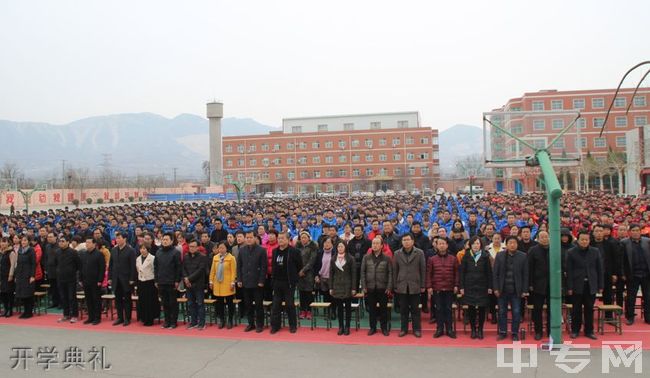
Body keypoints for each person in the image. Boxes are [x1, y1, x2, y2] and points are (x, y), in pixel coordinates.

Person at [566, 229, 603, 339]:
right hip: (577, 285)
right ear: (578, 240)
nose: (584, 242)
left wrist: (600, 285)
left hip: (590, 285)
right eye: (582, 239)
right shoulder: (571, 252)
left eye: (586, 240)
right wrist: (570, 287)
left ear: (589, 240)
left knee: (589, 309)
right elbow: (569, 271)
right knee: (576, 309)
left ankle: (589, 331)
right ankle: (575, 330)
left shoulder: (595, 251)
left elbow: (600, 269)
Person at [493, 236, 529, 341]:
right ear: (506, 245)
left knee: (516, 312)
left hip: (516, 290)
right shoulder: (500, 256)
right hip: (502, 289)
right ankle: (503, 332)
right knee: (502, 311)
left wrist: (524, 290)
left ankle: (514, 333)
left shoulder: (523, 256)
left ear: (517, 245)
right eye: (510, 243)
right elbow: (495, 274)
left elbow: (525, 274)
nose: (512, 245)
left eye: (514, 243)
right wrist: (495, 288)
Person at [393, 233, 426, 338]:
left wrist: (422, 284)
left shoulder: (419, 253)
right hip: (402, 285)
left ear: (412, 241)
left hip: (415, 284)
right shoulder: (397, 253)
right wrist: (395, 284)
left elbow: (423, 270)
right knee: (403, 310)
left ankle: (416, 329)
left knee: (415, 310)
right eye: (404, 240)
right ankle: (404, 329)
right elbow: (395, 270)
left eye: (408, 240)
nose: (406, 242)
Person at [459, 236, 492, 340]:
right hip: (469, 286)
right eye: (474, 243)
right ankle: (473, 329)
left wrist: (490, 286)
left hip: (482, 286)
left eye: (478, 243)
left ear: (480, 245)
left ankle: (480, 329)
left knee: (482, 309)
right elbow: (462, 273)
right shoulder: (466, 255)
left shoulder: (485, 256)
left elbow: (489, 273)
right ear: (470, 245)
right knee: (471, 308)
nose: (476, 245)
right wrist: (462, 286)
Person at [270, 232, 302, 334]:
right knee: (276, 306)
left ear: (288, 240)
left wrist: (294, 278)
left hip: (289, 283)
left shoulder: (294, 251)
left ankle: (292, 326)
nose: (280, 240)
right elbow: (273, 266)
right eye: (279, 238)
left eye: (282, 238)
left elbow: (299, 266)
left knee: (289, 305)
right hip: (277, 283)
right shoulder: (275, 251)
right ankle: (275, 326)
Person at [427, 237, 459, 339]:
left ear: (447, 245)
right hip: (437, 288)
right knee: (439, 309)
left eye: (443, 243)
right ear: (436, 245)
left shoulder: (453, 259)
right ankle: (439, 329)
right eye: (439, 243)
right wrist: (429, 287)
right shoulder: (432, 259)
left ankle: (449, 329)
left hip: (449, 288)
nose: (441, 245)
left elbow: (456, 273)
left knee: (448, 309)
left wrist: (456, 285)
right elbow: (429, 274)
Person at [360, 236, 393, 336]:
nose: (374, 245)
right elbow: (363, 272)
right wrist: (364, 286)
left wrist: (389, 287)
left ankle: (384, 328)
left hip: (382, 288)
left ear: (382, 245)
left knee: (383, 310)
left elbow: (390, 273)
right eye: (373, 243)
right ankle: (372, 328)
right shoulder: (366, 257)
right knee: (372, 310)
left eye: (377, 243)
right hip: (370, 287)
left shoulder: (387, 258)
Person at [237, 231, 267, 333]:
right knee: (248, 305)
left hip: (257, 282)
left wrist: (261, 280)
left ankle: (260, 324)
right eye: (247, 238)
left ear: (255, 238)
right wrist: (239, 279)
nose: (249, 239)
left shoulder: (261, 250)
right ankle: (251, 324)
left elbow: (264, 267)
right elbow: (239, 266)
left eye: (250, 237)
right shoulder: (242, 250)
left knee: (258, 305)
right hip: (245, 281)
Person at [621, 224, 650, 325]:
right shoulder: (624, 243)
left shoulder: (647, 241)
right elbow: (621, 260)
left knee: (648, 297)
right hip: (632, 274)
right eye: (633, 230)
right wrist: (623, 273)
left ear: (640, 231)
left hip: (646, 274)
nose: (635, 232)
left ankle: (648, 317)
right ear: (629, 232)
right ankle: (630, 317)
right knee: (631, 298)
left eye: (637, 230)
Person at [109, 231, 137, 326]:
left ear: (124, 239)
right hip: (116, 279)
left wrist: (132, 278)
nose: (117, 240)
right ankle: (120, 317)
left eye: (119, 238)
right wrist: (110, 277)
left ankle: (127, 318)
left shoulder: (130, 250)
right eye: (116, 238)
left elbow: (133, 266)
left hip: (126, 279)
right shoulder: (113, 250)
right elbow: (111, 265)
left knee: (127, 300)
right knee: (118, 299)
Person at [155, 232, 182, 329]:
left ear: (171, 241)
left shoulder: (176, 252)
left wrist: (177, 281)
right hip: (161, 281)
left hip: (172, 282)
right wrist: (156, 280)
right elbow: (156, 267)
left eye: (166, 240)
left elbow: (178, 268)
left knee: (172, 303)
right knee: (164, 303)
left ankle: (173, 322)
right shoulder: (158, 252)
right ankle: (167, 321)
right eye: (163, 239)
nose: (164, 241)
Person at [527, 231, 551, 340]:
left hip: (552, 285)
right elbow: (529, 269)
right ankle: (538, 331)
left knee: (552, 309)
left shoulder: (554, 248)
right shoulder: (533, 250)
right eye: (542, 237)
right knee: (537, 310)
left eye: (546, 237)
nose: (545, 239)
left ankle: (551, 331)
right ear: (537, 238)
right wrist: (530, 284)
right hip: (537, 285)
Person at [330, 241, 356, 335]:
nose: (340, 248)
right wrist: (331, 287)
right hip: (337, 286)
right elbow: (331, 274)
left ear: (345, 247)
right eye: (338, 246)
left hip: (347, 286)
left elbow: (354, 274)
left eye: (342, 246)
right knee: (339, 308)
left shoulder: (350, 258)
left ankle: (347, 326)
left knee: (348, 308)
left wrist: (354, 288)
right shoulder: (333, 258)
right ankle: (341, 326)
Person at [209, 242, 237, 329]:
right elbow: (212, 271)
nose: (220, 250)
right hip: (218, 284)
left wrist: (233, 282)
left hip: (228, 284)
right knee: (219, 304)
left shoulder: (231, 258)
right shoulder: (215, 258)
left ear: (226, 248)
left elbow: (233, 272)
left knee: (230, 303)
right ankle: (222, 319)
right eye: (219, 248)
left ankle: (230, 320)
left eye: (222, 248)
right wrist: (211, 281)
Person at [79, 238, 105, 325]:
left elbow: (102, 268)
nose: (87, 244)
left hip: (95, 281)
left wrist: (100, 280)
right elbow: (81, 267)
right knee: (88, 299)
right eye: (86, 242)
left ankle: (97, 318)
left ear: (94, 244)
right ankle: (90, 317)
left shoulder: (99, 254)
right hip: (86, 280)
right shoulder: (84, 254)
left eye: (89, 242)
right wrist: (80, 279)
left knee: (96, 299)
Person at [183, 240, 207, 330]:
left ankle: (202, 323)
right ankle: (193, 322)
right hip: (188, 285)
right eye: (190, 247)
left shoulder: (202, 257)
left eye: (193, 247)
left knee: (200, 304)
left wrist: (189, 279)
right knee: (190, 304)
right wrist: (185, 278)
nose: (191, 248)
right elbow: (183, 269)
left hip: (198, 284)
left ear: (197, 247)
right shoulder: (185, 257)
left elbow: (200, 270)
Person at [56, 235, 80, 323]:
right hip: (60, 278)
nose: (61, 243)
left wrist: (71, 271)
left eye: (63, 241)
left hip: (71, 279)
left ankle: (74, 315)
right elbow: (56, 264)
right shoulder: (57, 252)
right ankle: (66, 314)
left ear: (67, 242)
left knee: (72, 297)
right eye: (60, 241)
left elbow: (78, 265)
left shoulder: (73, 252)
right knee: (63, 297)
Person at [295, 231, 318, 320]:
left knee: (308, 293)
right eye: (301, 238)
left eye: (305, 237)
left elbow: (312, 261)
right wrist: (298, 270)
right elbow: (295, 260)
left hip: (309, 273)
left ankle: (309, 311)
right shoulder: (298, 247)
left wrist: (303, 270)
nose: (303, 239)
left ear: (308, 238)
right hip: (299, 273)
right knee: (301, 293)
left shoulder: (313, 247)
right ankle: (302, 310)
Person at [136, 244, 158, 326]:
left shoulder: (152, 258)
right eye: (141, 248)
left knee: (149, 301)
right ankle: (144, 317)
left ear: (148, 249)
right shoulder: (138, 258)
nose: (142, 250)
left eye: (144, 248)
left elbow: (155, 269)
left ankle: (150, 319)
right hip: (141, 281)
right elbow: (138, 269)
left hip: (150, 281)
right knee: (142, 300)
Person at [15, 235, 36, 319]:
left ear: (28, 241)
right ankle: (25, 311)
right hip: (20, 274)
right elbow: (18, 263)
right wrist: (16, 275)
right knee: (22, 294)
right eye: (22, 240)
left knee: (28, 294)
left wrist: (32, 276)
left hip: (28, 274)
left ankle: (29, 312)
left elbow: (33, 264)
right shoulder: (20, 250)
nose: (23, 242)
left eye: (25, 240)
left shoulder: (31, 250)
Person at [0, 237, 17, 317]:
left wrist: (11, 275)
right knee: (3, 293)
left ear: (8, 243)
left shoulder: (11, 252)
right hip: (2, 276)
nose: (2, 243)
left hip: (8, 276)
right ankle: (6, 309)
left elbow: (13, 265)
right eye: (1, 242)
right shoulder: (1, 252)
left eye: (4, 242)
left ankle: (10, 310)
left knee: (9, 293)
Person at [43, 232, 60, 308]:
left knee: (59, 287)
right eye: (48, 237)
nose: (49, 238)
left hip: (58, 270)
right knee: (52, 288)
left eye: (51, 237)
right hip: (50, 270)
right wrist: (46, 268)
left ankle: (61, 303)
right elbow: (45, 258)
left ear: (55, 237)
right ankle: (54, 302)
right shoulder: (47, 246)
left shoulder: (59, 246)